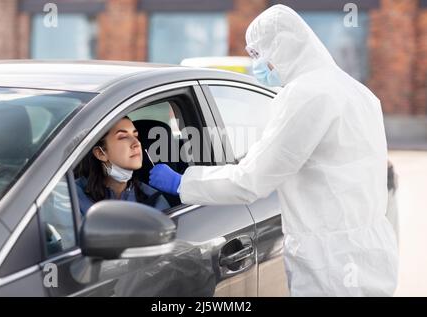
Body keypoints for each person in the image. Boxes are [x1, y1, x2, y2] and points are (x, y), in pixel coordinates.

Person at [149, 4, 399, 296]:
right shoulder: (356, 91)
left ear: (282, 47)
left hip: (331, 260)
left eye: (257, 53)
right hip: (369, 250)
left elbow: (251, 181)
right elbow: (307, 158)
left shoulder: (306, 94)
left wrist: (182, 182)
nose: (255, 63)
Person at [76, 116, 169, 216]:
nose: (136, 143)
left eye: (136, 136)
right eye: (123, 137)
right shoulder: (74, 196)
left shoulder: (153, 200)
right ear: (100, 153)